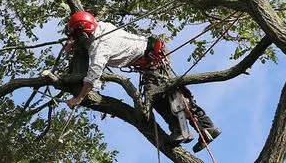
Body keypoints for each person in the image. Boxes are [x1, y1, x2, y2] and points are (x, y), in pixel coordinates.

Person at [62, 11, 220, 152]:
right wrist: (75, 44)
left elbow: (94, 73)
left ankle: (202, 127)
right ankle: (187, 128)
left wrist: (79, 98)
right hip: (150, 58)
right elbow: (87, 39)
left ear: (84, 33)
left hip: (153, 58)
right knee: (163, 97)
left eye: (77, 36)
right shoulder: (101, 27)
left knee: (164, 97)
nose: (77, 39)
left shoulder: (100, 47)